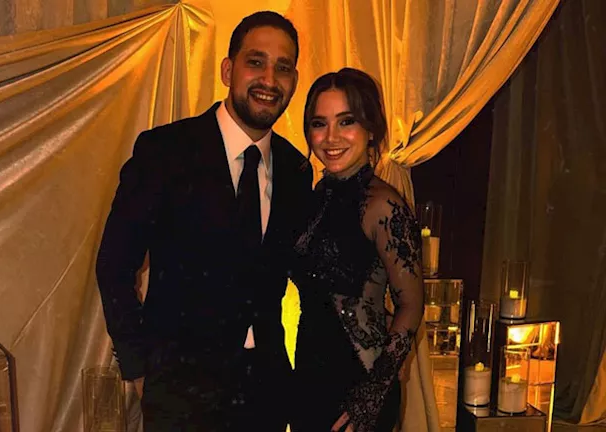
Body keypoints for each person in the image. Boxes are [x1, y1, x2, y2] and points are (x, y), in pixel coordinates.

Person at [96, 11, 313, 432]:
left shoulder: (296, 170)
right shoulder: (165, 151)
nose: (269, 79)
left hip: (265, 395)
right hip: (179, 394)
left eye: (283, 67)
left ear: (294, 81)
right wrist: (139, 368)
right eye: (256, 61)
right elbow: (114, 265)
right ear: (228, 70)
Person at [290, 68, 424, 432]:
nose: (331, 137)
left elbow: (411, 304)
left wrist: (372, 394)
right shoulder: (316, 198)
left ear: (371, 129)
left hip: (359, 386)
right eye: (319, 124)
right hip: (308, 382)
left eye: (346, 121)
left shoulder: (383, 205)